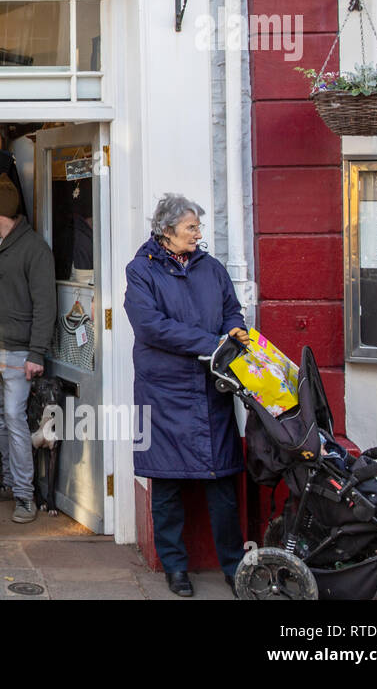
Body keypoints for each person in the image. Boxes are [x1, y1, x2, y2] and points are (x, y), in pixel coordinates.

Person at [124, 193, 249, 597]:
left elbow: (232, 309)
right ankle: (175, 568)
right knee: (167, 483)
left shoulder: (211, 268)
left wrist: (233, 331)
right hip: (164, 392)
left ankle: (233, 566)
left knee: (223, 484)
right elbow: (150, 326)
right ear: (166, 231)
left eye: (198, 227)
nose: (198, 234)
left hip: (211, 388)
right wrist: (210, 343)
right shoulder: (141, 271)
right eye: (191, 227)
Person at [0, 175, 57, 524]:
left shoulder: (34, 250)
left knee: (16, 420)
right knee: (1, 418)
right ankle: (7, 483)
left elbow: (45, 305)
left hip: (18, 351)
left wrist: (37, 353)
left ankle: (24, 495)